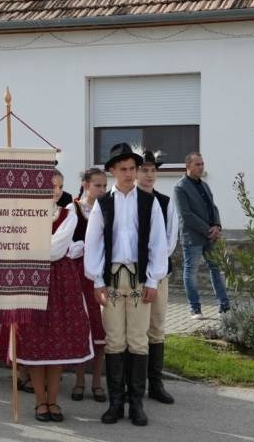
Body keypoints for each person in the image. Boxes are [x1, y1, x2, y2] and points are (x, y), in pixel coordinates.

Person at [0, 169, 93, 423]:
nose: (57, 191)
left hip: (60, 284)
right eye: (51, 185)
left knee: (56, 344)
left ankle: (53, 400)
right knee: (34, 344)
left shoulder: (69, 214)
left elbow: (56, 250)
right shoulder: (23, 215)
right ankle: (40, 400)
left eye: (60, 186)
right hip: (30, 282)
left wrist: (32, 245)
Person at [85, 143, 167, 427]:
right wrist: (97, 280)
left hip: (139, 276)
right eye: (124, 169)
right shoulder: (103, 204)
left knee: (138, 340)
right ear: (112, 171)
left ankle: (137, 404)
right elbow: (93, 243)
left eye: (133, 168)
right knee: (115, 340)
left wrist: (153, 279)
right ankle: (116, 403)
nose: (130, 174)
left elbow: (158, 242)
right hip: (111, 277)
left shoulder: (148, 202)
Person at [135, 151, 177, 404]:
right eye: (144, 170)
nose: (149, 175)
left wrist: (154, 267)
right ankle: (134, 384)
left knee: (156, 328)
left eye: (152, 170)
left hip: (158, 273)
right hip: (133, 274)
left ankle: (156, 383)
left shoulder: (165, 202)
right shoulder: (128, 200)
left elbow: (169, 241)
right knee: (135, 331)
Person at [173, 152, 230, 319]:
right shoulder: (180, 187)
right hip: (193, 237)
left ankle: (224, 306)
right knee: (191, 272)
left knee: (216, 269)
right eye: (197, 164)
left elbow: (213, 207)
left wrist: (217, 226)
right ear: (188, 166)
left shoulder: (204, 185)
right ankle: (195, 308)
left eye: (202, 164)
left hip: (211, 236)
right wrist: (208, 230)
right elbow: (186, 215)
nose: (201, 167)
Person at [70, 168, 108, 403]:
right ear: (85, 185)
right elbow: (67, 242)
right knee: (81, 327)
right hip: (78, 275)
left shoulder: (108, 208)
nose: (102, 190)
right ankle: (79, 380)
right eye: (97, 185)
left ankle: (96, 381)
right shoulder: (73, 210)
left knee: (100, 327)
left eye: (104, 186)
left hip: (102, 273)